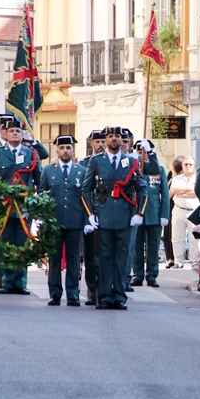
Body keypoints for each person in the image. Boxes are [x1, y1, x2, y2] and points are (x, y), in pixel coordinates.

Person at [81, 126, 146, 310]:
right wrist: (91, 214)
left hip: (125, 217)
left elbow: (142, 189)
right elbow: (86, 190)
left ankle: (119, 296)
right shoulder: (96, 162)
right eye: (110, 136)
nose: (114, 139)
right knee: (104, 258)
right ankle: (105, 296)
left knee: (122, 259)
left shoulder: (130, 162)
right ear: (106, 140)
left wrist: (139, 214)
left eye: (117, 136)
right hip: (103, 216)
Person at [0, 118, 42, 294]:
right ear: (5, 134)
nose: (15, 133)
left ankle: (20, 282)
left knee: (22, 245)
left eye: (18, 130)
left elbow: (40, 179)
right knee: (6, 244)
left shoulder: (31, 153)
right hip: (5, 207)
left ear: (23, 134)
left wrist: (37, 200)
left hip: (24, 207)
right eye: (11, 131)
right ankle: (7, 282)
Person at [39, 135, 87, 306]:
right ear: (57, 150)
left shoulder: (81, 171)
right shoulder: (48, 171)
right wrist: (42, 218)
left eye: (68, 148)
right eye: (62, 148)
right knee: (54, 259)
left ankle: (73, 294)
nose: (65, 151)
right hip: (54, 220)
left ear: (73, 150)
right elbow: (42, 195)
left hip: (75, 221)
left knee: (74, 259)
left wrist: (88, 220)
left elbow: (86, 197)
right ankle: (55, 294)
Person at [131, 143, 169, 288]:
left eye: (145, 152)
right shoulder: (133, 168)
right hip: (137, 211)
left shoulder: (158, 169)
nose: (143, 155)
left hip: (154, 212)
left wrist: (164, 214)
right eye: (140, 152)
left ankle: (152, 275)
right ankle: (138, 274)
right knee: (136, 246)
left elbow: (164, 193)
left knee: (153, 246)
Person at [80, 130, 107, 304]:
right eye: (97, 142)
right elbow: (83, 191)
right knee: (90, 255)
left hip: (107, 214)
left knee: (106, 255)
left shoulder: (115, 162)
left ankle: (105, 288)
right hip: (90, 215)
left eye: (103, 141)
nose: (101, 145)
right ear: (92, 144)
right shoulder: (83, 164)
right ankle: (91, 289)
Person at [170, 157, 200, 270]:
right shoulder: (177, 178)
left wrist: (181, 192)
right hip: (178, 209)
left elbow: (195, 193)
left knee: (195, 238)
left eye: (190, 164)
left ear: (195, 166)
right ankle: (178, 261)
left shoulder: (198, 178)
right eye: (186, 164)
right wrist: (188, 191)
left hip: (194, 210)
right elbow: (173, 191)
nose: (188, 166)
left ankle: (195, 262)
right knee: (177, 237)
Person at [163, 158, 182, 269]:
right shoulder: (170, 175)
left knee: (176, 235)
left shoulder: (184, 177)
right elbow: (167, 190)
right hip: (169, 206)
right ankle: (170, 257)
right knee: (168, 233)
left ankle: (177, 257)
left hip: (179, 206)